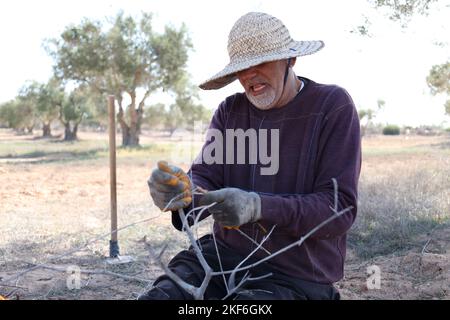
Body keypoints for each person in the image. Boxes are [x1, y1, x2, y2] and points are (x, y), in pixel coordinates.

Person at [139, 12, 361, 300]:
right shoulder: (230, 110)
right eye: (242, 68)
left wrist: (258, 206)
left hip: (296, 273)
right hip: (221, 259)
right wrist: (181, 191)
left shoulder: (332, 106)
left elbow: (338, 208)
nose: (249, 76)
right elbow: (206, 175)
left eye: (261, 62)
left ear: (291, 60)